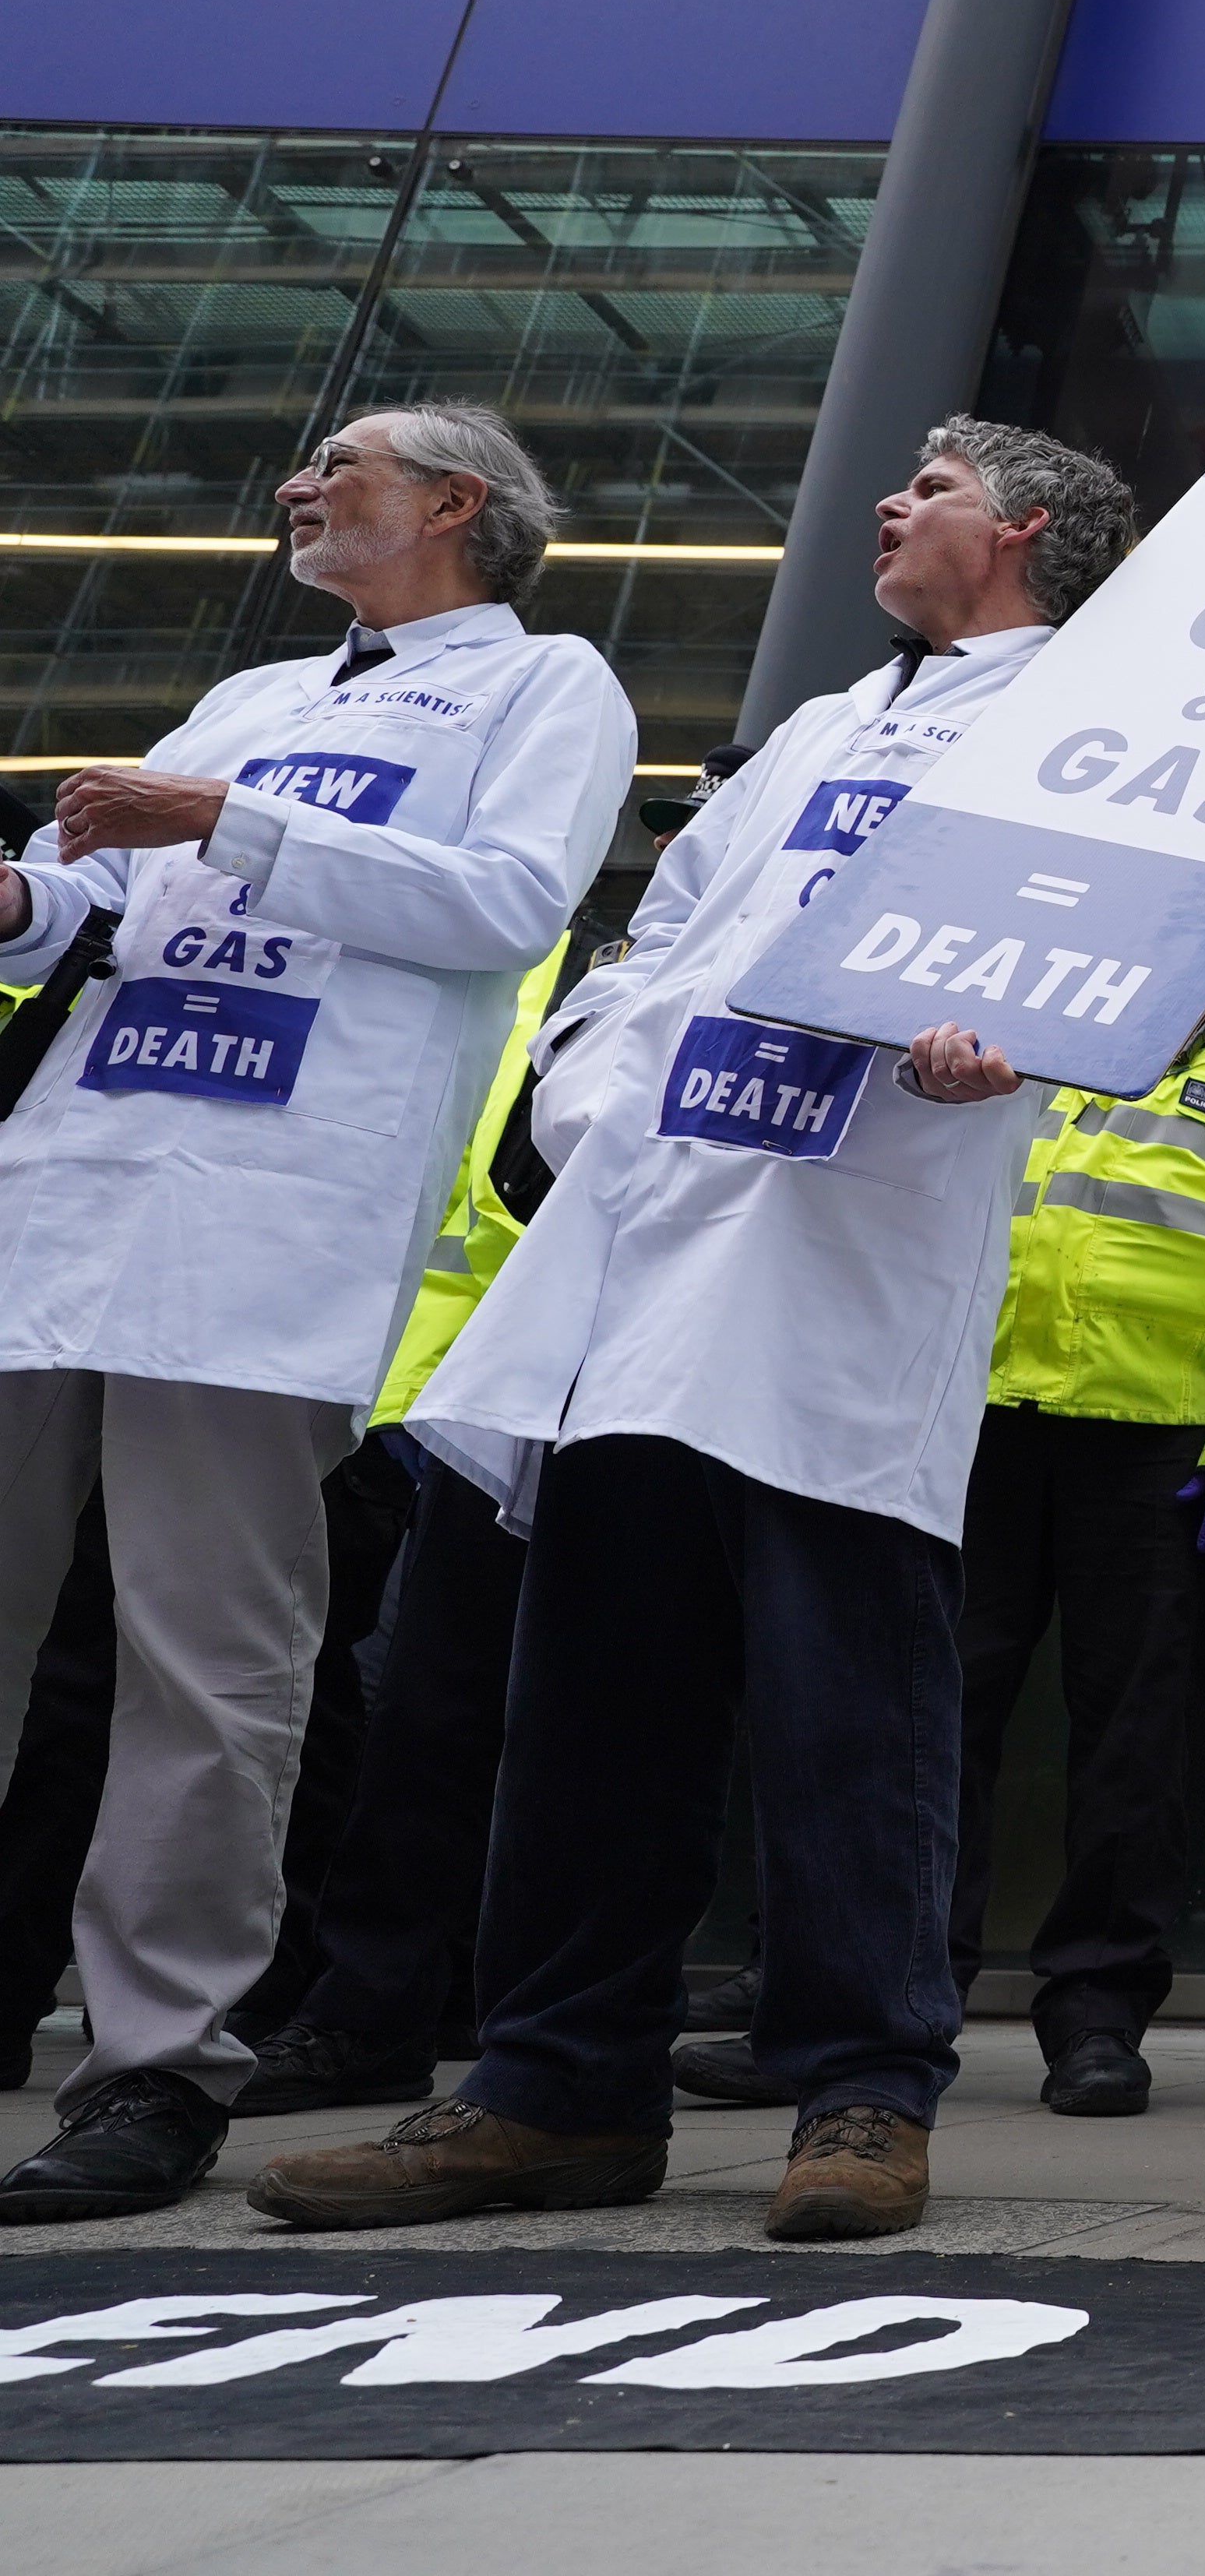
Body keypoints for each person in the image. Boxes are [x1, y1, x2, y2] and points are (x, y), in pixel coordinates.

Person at [249, 417, 1133, 2244]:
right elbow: (665, 937)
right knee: (588, 1687)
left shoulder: (1097, 721)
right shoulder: (822, 724)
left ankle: (865, 2091)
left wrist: (1016, 1039)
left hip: (842, 1252)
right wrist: (584, 1083)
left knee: (847, 1699)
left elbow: (1134, 941)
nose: (894, 504)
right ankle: (559, 2085)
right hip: (643, 1239)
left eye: (937, 489)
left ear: (1027, 532)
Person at [0, 402, 632, 2226]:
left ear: (457, 505)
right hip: (65, 1190)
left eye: (340, 466)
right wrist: (26, 895)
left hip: (264, 1226)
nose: (299, 483)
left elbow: (508, 904)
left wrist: (224, 819)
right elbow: (103, 909)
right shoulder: (252, 697)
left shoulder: (545, 687)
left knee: (208, 1667)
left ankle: (156, 2066)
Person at [945, 969, 1205, 2117]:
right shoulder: (1044, 1013)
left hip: (1163, 1438)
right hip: (982, 1410)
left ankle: (1096, 2016)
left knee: (1138, 1740)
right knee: (930, 1716)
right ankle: (885, 1996)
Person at [228, 947, 571, 2114]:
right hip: (433, 1389)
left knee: (582, 1723)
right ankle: (372, 2004)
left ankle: (499, 2006)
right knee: (417, 1707)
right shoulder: (525, 960)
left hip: (581, 1371)